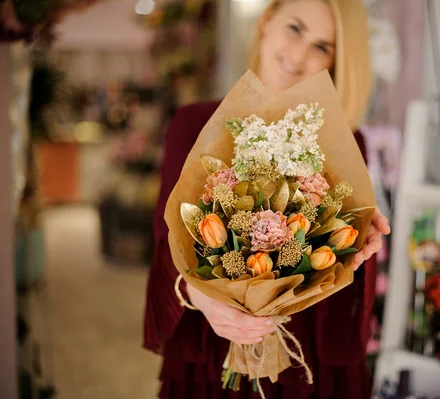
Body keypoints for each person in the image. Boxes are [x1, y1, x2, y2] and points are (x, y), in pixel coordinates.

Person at [143, 0, 391, 397]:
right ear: (267, 22)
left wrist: (360, 237)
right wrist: (204, 299)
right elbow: (166, 242)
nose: (300, 54)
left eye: (323, 46)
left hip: (309, 358)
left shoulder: (347, 142)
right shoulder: (195, 124)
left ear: (339, 60)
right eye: (295, 29)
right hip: (213, 348)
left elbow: (343, 265)